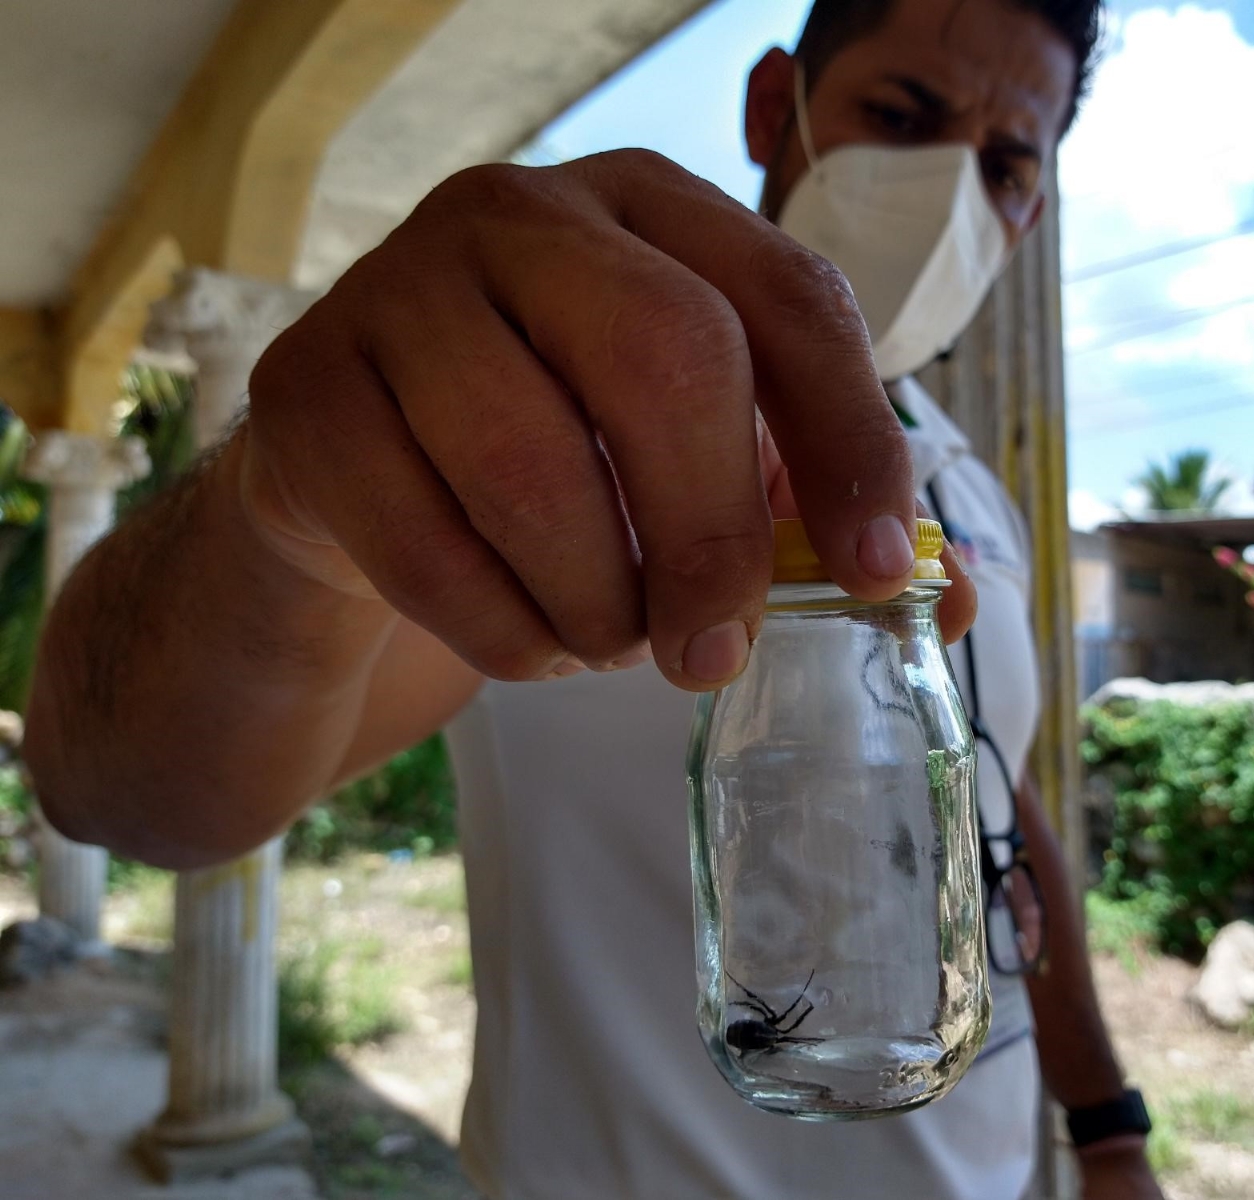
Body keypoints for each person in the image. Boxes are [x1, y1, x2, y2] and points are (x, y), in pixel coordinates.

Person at [25, 1, 1163, 1197]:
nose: (950, 190)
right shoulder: (546, 442)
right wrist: (277, 505)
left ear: (1031, 207)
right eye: (899, 115)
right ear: (776, 113)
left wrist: (1107, 1125)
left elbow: (992, 799)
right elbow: (123, 791)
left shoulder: (968, 487)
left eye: (1002, 163)